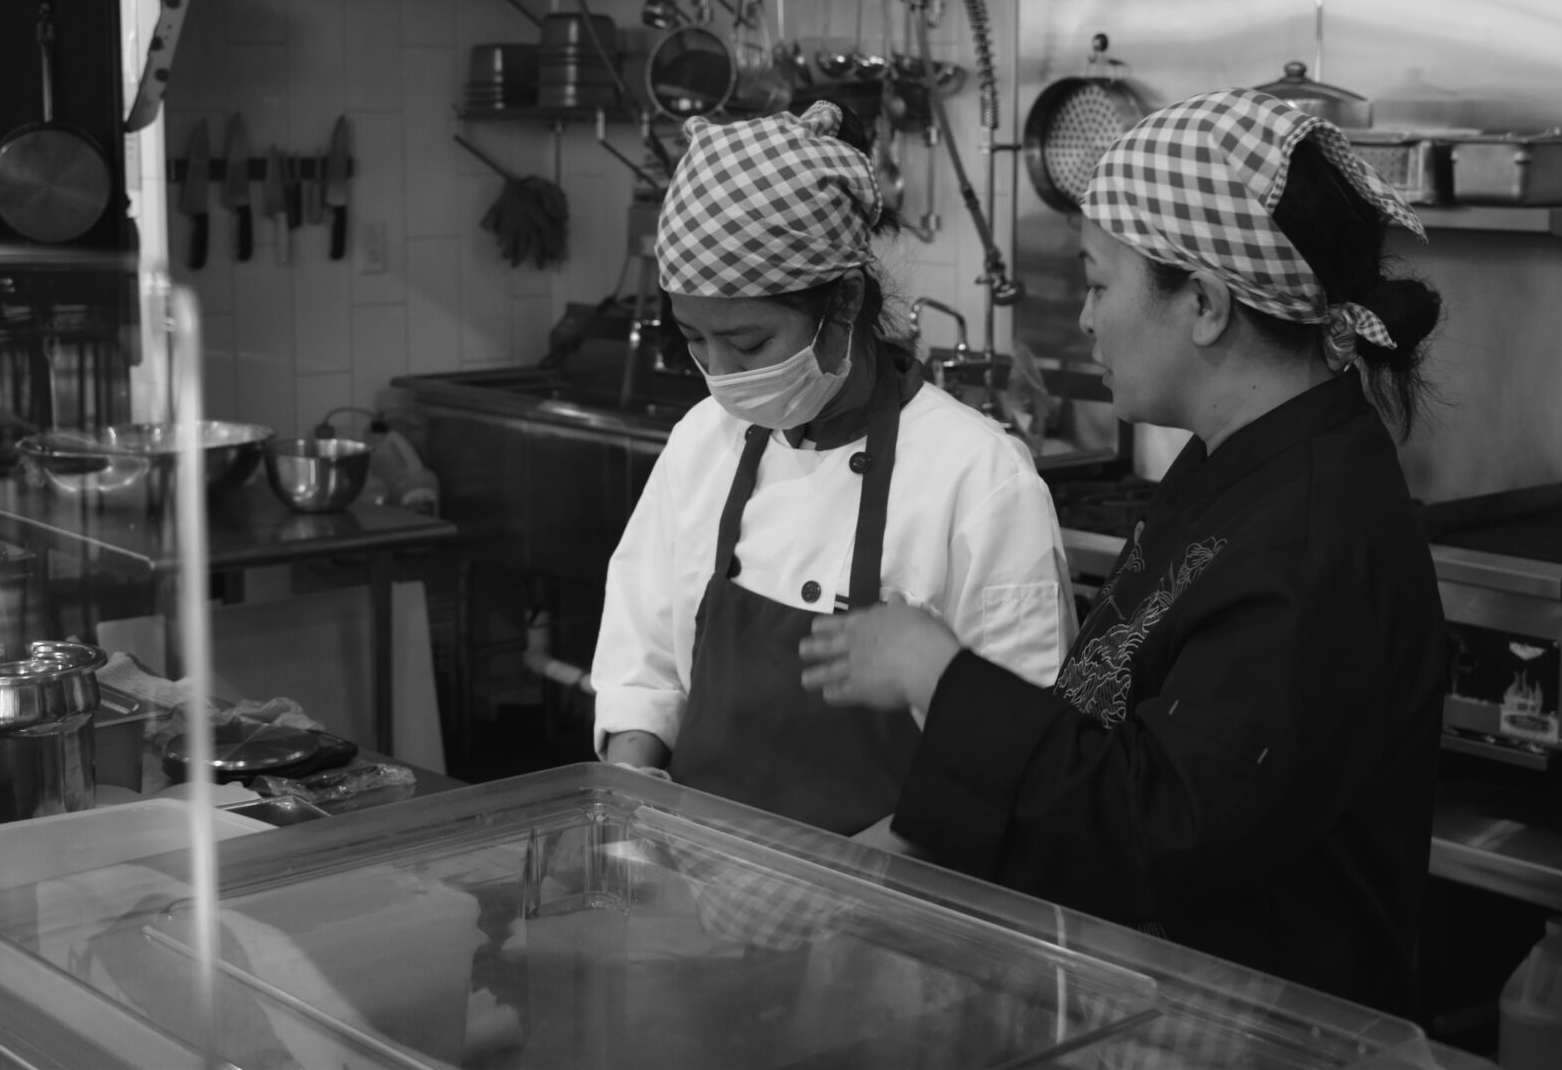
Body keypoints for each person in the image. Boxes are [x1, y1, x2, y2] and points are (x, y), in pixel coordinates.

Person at [799, 87, 1449, 1017]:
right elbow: (1112, 734)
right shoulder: (1234, 464)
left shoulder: (1314, 543)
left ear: (1205, 303)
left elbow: (1158, 835)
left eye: (1100, 286)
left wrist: (941, 677)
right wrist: (907, 847)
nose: (1085, 320)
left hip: (1263, 1034)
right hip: (1157, 1008)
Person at [590, 99, 1073, 840]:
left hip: (887, 897)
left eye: (749, 344)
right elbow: (642, 666)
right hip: (697, 881)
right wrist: (632, 792)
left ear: (844, 300)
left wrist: (850, 878)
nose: (722, 375)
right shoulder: (702, 442)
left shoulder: (980, 478)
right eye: (695, 339)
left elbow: (1016, 757)